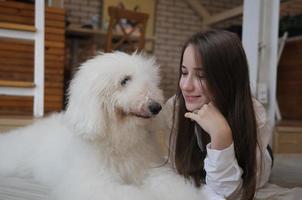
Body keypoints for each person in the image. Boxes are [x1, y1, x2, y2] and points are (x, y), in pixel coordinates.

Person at [156, 30, 273, 200]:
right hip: (201, 161)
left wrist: (221, 135)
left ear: (228, 78)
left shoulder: (255, 114)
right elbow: (178, 173)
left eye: (202, 75)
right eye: (184, 72)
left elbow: (232, 192)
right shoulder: (174, 108)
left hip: (259, 158)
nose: (186, 86)